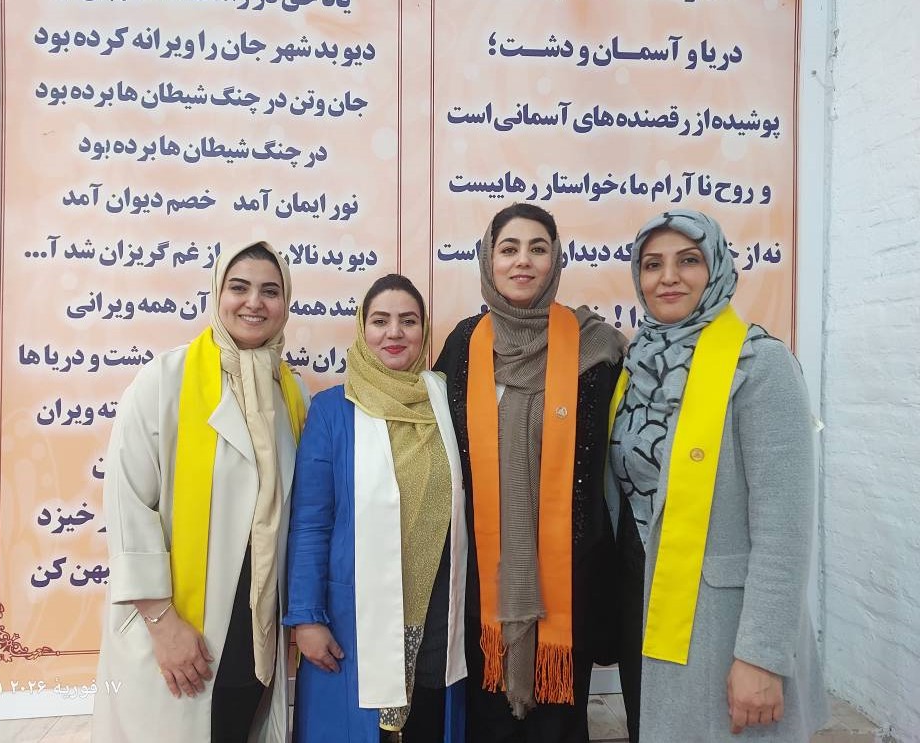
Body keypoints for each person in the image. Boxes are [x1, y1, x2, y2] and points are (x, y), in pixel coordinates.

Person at [608, 208, 827, 741]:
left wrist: (761, 656)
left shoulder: (760, 364)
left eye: (688, 260)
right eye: (652, 264)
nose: (668, 277)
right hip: (647, 611)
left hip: (723, 626)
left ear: (717, 268)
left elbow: (784, 530)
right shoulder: (636, 365)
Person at [92, 241, 309, 743]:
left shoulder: (289, 393)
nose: (254, 302)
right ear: (217, 294)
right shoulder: (164, 381)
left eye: (270, 291)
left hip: (252, 634)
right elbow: (129, 506)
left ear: (285, 303)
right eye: (239, 287)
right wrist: (163, 624)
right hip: (173, 630)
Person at [433, 203, 627, 742]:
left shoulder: (596, 349)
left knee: (558, 724)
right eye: (509, 248)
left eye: (538, 249)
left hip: (569, 579)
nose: (523, 261)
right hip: (482, 581)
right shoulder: (463, 346)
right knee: (486, 720)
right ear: (488, 260)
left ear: (555, 260)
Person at [285, 274, 468, 743]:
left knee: (429, 726)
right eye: (380, 320)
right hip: (352, 619)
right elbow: (310, 523)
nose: (395, 333)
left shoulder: (449, 403)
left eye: (408, 321)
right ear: (361, 329)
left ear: (424, 331)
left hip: (438, 617)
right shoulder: (332, 411)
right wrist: (306, 617)